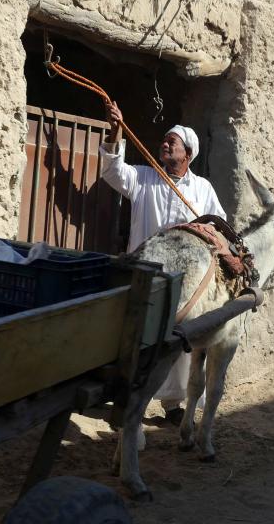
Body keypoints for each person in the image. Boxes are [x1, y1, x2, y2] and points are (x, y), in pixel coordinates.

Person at [99, 102, 226, 433]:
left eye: (173, 142)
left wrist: (206, 231)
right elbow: (113, 171)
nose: (165, 144)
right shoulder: (143, 177)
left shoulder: (203, 189)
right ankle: (129, 399)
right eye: (164, 141)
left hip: (185, 281)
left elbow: (219, 224)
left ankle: (173, 403)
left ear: (188, 154)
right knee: (140, 339)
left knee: (180, 343)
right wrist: (115, 131)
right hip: (145, 274)